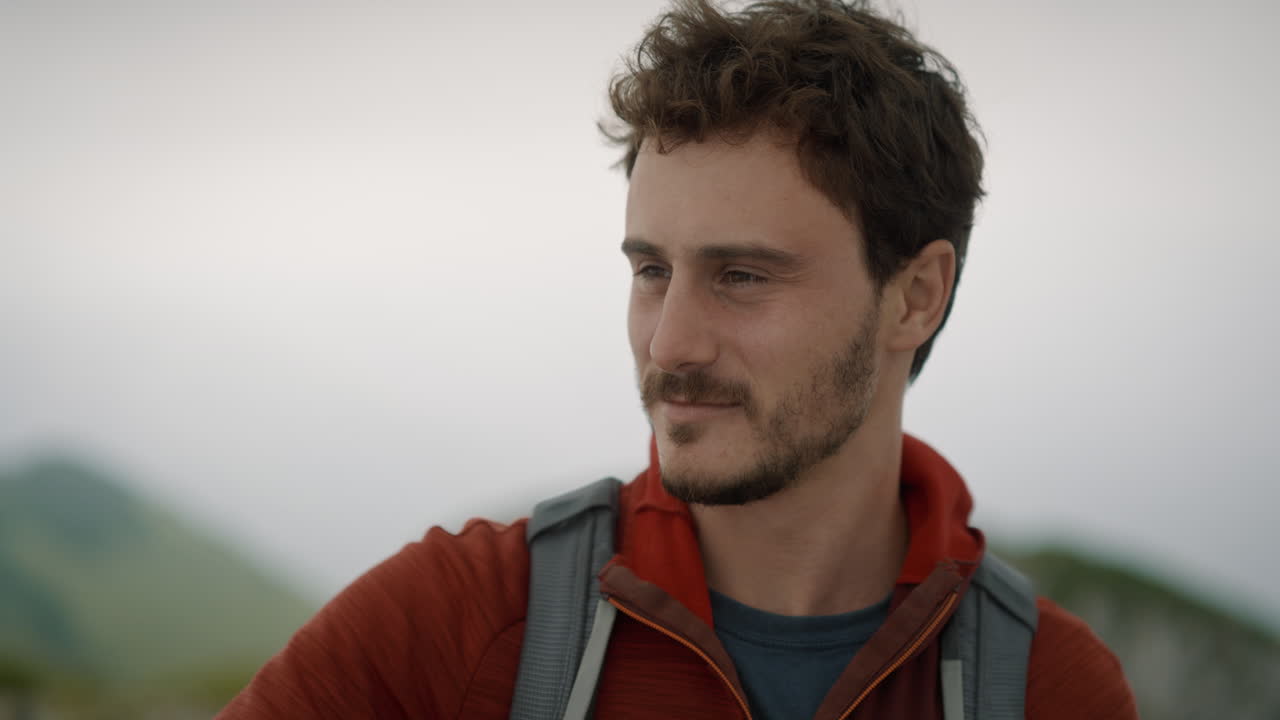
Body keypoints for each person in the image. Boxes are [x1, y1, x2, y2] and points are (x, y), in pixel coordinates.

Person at [219, 0, 1138, 718]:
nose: (669, 344)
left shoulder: (1045, 690)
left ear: (915, 296)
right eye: (652, 270)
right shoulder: (462, 622)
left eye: (741, 276)